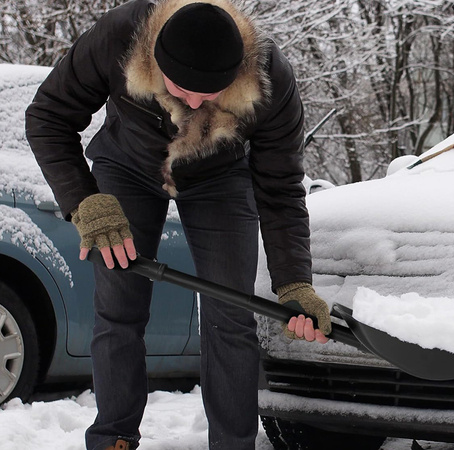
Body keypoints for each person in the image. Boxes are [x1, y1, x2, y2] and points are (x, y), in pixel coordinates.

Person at [25, 1, 332, 449]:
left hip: (219, 177)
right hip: (127, 165)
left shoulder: (270, 80)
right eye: (180, 88)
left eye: (209, 93)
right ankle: (113, 438)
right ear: (154, 61)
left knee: (232, 314)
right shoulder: (119, 36)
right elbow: (48, 115)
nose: (192, 102)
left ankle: (233, 444)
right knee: (119, 306)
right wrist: (85, 202)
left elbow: (281, 188)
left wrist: (294, 284)